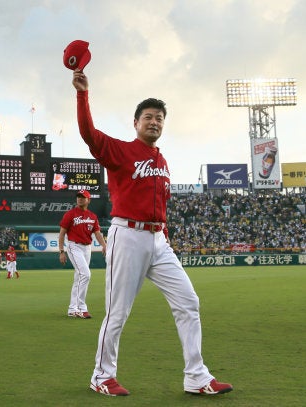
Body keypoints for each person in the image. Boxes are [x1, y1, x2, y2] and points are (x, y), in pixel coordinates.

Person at [72, 70, 232, 396]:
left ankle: (196, 377)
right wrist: (82, 94)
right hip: (127, 236)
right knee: (118, 312)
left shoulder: (163, 160)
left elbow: (160, 205)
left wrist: (165, 236)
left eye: (159, 118)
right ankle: (101, 376)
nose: (155, 122)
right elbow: (89, 134)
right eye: (148, 117)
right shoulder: (121, 151)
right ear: (136, 123)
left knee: (188, 302)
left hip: (159, 240)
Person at [58, 189, 107, 319]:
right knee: (85, 274)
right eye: (78, 196)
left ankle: (72, 309)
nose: (80, 199)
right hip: (74, 246)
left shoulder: (93, 216)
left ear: (88, 200)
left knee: (79, 278)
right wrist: (62, 251)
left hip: (87, 248)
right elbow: (62, 233)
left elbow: (97, 233)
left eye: (83, 197)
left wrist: (104, 245)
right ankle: (81, 308)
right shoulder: (70, 214)